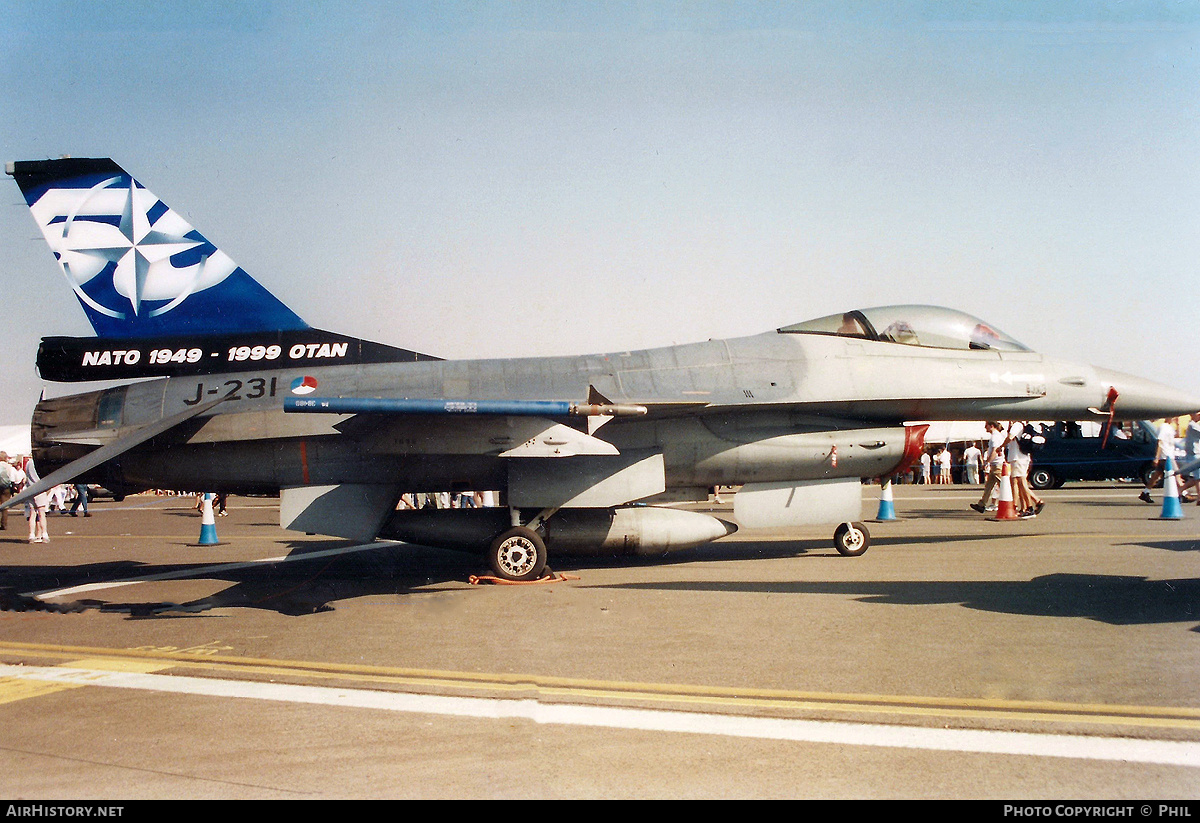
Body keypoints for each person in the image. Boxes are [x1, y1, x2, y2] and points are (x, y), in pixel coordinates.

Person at [1005, 422, 1044, 518]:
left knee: (1022, 483)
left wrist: (1001, 447)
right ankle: (1024, 506)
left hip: (1017, 458)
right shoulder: (1021, 425)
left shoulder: (1017, 425)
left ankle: (1031, 506)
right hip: (1020, 458)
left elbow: (1010, 437)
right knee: (1019, 483)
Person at [1139, 417, 1179, 504]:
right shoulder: (1163, 427)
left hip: (1169, 454)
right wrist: (1157, 457)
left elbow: (1176, 437)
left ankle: (1146, 492)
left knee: (1156, 475)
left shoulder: (1170, 427)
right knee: (1176, 474)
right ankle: (1183, 493)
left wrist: (1178, 425)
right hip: (1166, 455)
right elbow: (1159, 442)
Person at [970, 422, 1007, 513]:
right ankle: (981, 504)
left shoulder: (995, 437)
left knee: (1004, 485)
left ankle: (1014, 502)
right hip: (996, 464)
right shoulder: (997, 436)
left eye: (986, 425)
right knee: (989, 485)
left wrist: (988, 462)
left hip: (997, 464)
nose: (985, 427)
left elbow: (994, 451)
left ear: (991, 426)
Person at [23, 459, 49, 544]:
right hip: (39, 489)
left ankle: (31, 535)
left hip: (30, 489)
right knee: (42, 514)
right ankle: (44, 534)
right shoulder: (40, 462)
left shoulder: (28, 463)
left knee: (32, 514)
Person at [0, 453, 20, 530]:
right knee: (5, 506)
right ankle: (4, 524)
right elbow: (13, 478)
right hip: (6, 487)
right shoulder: (9, 467)